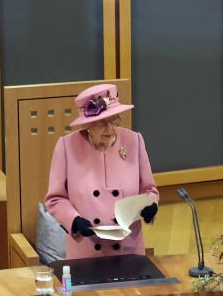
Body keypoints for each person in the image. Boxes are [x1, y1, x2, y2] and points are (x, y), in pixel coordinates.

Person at [44, 83, 159, 259]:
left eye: (114, 120)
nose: (111, 129)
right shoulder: (67, 147)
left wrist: (150, 204)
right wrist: (74, 220)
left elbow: (149, 190)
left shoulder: (134, 140)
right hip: (87, 250)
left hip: (129, 249)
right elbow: (55, 198)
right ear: (88, 124)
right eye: (103, 122)